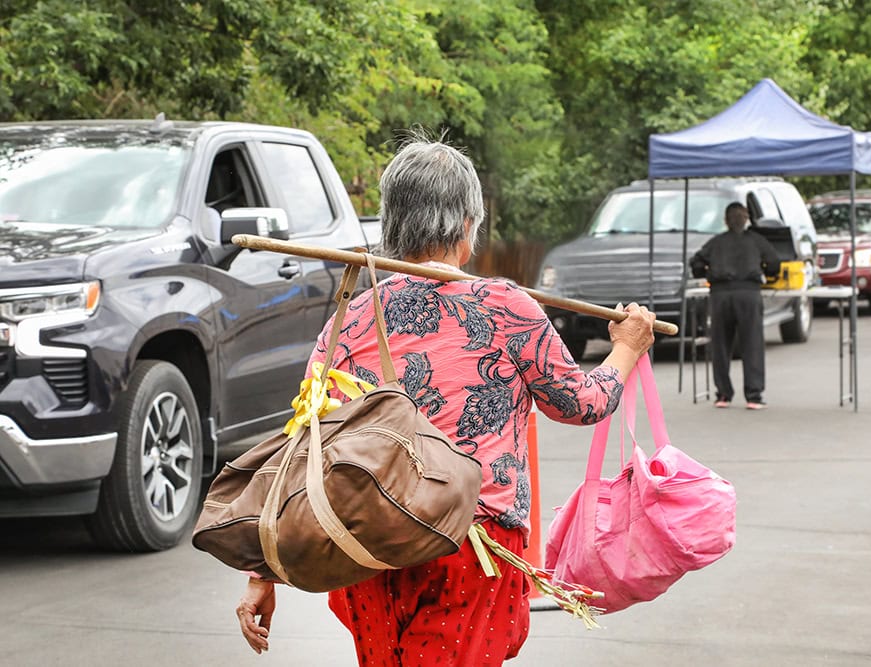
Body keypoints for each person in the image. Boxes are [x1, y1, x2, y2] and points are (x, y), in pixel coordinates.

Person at [234, 136, 656, 665]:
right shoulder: (506, 307)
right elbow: (581, 403)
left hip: (369, 546)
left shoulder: (352, 318)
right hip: (470, 548)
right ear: (467, 226)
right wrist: (627, 348)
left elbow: (301, 451)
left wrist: (263, 573)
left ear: (391, 226)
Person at [689, 202, 780, 410]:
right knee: (752, 344)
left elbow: (695, 262)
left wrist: (708, 273)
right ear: (746, 219)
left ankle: (723, 395)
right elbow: (774, 263)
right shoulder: (757, 241)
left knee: (720, 345)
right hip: (749, 294)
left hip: (720, 295)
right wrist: (766, 272)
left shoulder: (716, 242)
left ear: (725, 221)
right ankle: (754, 396)